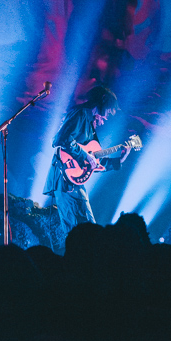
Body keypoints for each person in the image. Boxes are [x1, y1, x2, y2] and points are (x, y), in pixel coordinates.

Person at [43, 86, 131, 236]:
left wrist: (120, 159)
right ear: (103, 100)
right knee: (74, 229)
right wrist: (85, 156)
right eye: (110, 110)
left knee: (88, 226)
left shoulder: (90, 125)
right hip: (64, 177)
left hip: (76, 180)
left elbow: (94, 162)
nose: (109, 115)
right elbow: (60, 139)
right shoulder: (80, 114)